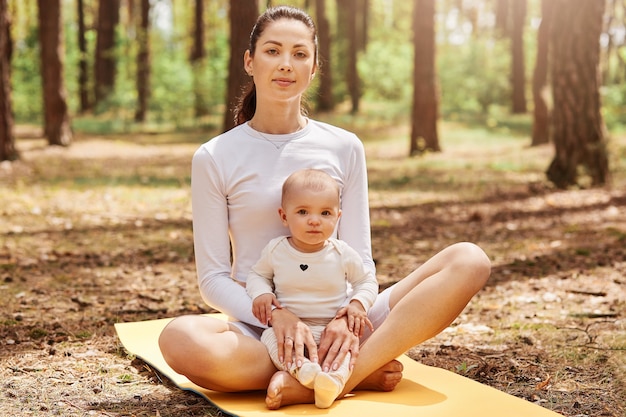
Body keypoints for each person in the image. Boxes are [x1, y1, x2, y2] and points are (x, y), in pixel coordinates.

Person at [158, 5, 491, 410]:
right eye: (272, 51)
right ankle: (357, 369)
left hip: (345, 321)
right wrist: (277, 316)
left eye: (300, 54)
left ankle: (338, 374)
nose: (286, 64)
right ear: (250, 61)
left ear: (314, 68)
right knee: (178, 339)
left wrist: (350, 315)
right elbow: (212, 279)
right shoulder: (214, 156)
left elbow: (360, 258)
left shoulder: (345, 146)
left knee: (469, 260)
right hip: (264, 330)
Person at [247, 168, 378, 408]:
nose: (314, 220)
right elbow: (257, 275)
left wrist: (358, 303)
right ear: (284, 216)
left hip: (330, 329)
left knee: (344, 353)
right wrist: (262, 293)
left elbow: (366, 281)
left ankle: (333, 381)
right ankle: (304, 371)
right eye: (303, 211)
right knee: (271, 339)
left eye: (325, 212)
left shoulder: (342, 253)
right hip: (289, 330)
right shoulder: (276, 250)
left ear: (337, 217)